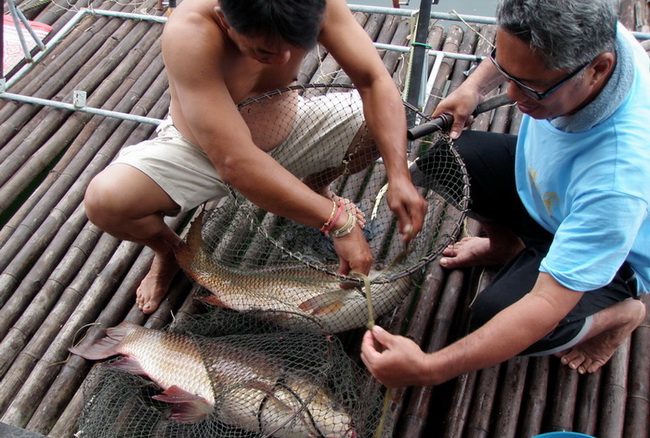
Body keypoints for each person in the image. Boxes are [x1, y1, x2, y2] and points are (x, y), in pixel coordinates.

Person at [361, 0, 649, 387]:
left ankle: (620, 315)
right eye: (509, 75)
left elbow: (546, 303)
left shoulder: (619, 178)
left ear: (599, 69)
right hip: (549, 190)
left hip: (614, 257)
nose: (512, 95)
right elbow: (513, 57)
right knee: (452, 157)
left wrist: (430, 368)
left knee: (493, 319)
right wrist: (473, 87)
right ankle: (505, 247)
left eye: (531, 86)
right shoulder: (592, 29)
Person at [84, 0, 427, 314]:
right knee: (107, 202)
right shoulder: (190, 31)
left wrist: (398, 174)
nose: (282, 61)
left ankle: (316, 188)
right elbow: (235, 162)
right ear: (224, 20)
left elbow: (374, 81)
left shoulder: (315, 4)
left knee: (376, 124)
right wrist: (339, 222)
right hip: (202, 154)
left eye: (293, 50)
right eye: (264, 51)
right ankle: (170, 253)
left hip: (291, 131)